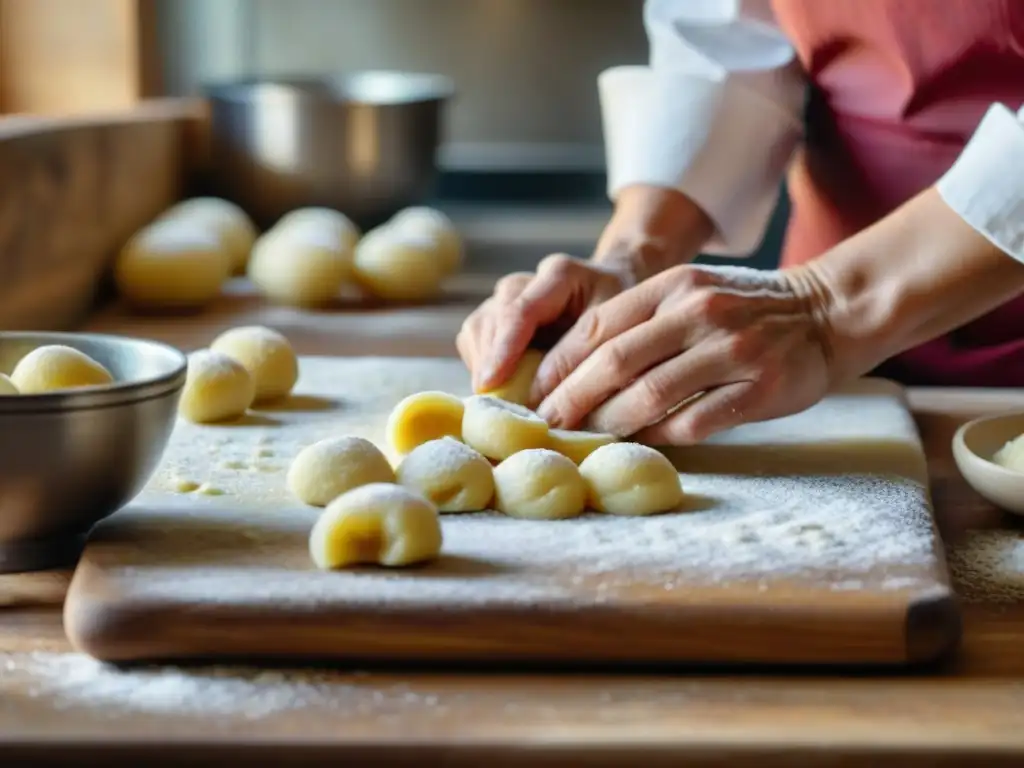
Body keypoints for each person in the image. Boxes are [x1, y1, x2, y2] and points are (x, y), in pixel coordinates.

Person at [457, 0, 1024, 445]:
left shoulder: (815, 313)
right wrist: (633, 255)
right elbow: (729, 32)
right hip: (816, 367)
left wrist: (825, 307)